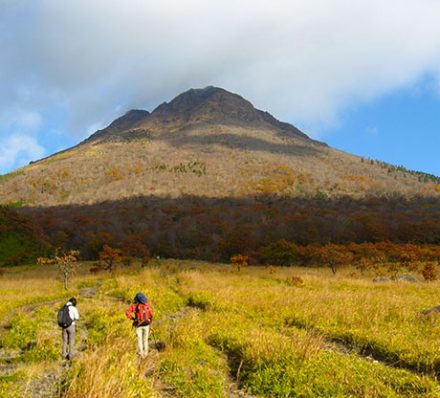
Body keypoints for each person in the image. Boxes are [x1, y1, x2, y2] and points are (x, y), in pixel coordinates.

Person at [125, 292, 153, 358]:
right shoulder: (147, 306)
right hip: (146, 324)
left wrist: (133, 318)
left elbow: (127, 312)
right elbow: (151, 315)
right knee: (145, 339)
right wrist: (149, 322)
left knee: (139, 339)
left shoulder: (135, 306)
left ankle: (141, 354)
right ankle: (146, 353)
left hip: (138, 325)